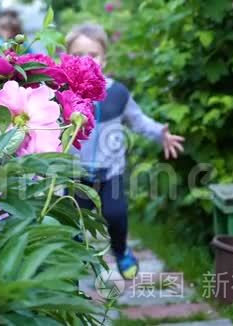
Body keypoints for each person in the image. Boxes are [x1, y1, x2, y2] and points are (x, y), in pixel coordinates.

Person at [67, 23, 185, 280]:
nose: (86, 61)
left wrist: (159, 133)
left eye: (93, 55)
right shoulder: (65, 93)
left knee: (116, 215)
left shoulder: (118, 93)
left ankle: (120, 251)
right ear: (66, 59)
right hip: (75, 172)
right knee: (72, 221)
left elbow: (138, 120)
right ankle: (71, 262)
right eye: (77, 55)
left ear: (105, 58)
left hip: (111, 173)